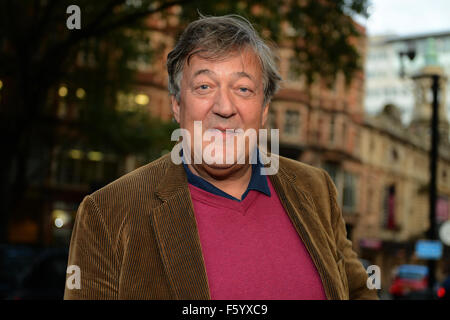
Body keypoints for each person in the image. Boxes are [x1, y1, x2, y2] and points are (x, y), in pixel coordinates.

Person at [64, 14, 378, 300]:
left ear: (264, 109)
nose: (224, 107)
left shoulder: (316, 189)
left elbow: (359, 290)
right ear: (176, 105)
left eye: (243, 89)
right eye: (204, 86)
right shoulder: (107, 213)